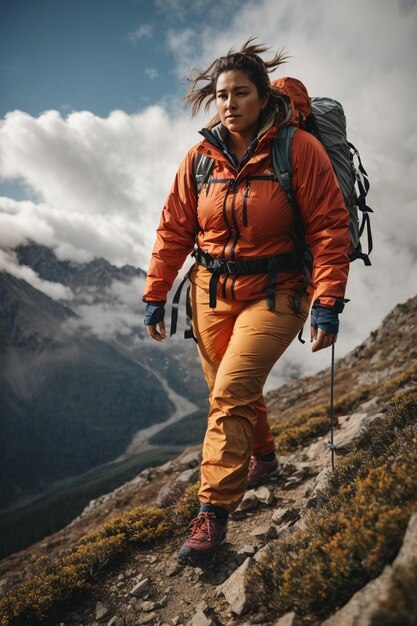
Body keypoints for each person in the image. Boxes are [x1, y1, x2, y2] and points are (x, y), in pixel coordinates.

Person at [142, 39, 350, 568]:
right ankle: (264, 457)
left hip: (279, 291)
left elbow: (329, 226)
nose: (229, 103)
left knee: (231, 391)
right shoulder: (199, 158)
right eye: (221, 95)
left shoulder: (297, 150)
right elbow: (174, 228)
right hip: (209, 293)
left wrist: (328, 300)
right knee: (227, 387)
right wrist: (156, 292)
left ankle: (213, 512)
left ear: (262, 98)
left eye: (240, 93)